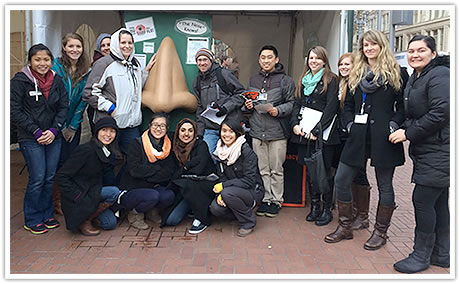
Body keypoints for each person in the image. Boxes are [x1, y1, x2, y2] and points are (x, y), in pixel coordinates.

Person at [324, 30, 408, 250]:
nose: (369, 48)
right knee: (342, 179)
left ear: (381, 46)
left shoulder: (397, 73)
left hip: (385, 137)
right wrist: (350, 124)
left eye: (373, 44)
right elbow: (348, 105)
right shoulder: (357, 72)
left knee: (385, 186)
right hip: (358, 136)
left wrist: (394, 124)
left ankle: (381, 232)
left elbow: (403, 107)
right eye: (365, 45)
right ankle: (345, 227)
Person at [391, 35, 450, 273]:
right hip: (429, 149)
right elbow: (412, 111)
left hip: (440, 150)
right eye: (411, 50)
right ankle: (441, 254)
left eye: (421, 50)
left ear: (433, 54)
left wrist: (408, 133)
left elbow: (440, 113)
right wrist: (398, 123)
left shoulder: (440, 75)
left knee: (423, 200)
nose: (415, 54)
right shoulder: (417, 77)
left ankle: (421, 255)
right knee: (438, 204)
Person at [11, 43, 68, 234]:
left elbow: (63, 107)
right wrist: (35, 131)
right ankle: (32, 218)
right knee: (37, 177)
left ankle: (47, 214)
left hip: (53, 136)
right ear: (30, 61)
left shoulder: (57, 80)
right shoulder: (20, 81)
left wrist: (53, 130)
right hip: (30, 137)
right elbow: (14, 110)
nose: (42, 63)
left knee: (50, 177)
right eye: (37, 59)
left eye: (46, 59)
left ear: (51, 61)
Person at [83, 28, 156, 157]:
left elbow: (137, 87)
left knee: (132, 159)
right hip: (110, 124)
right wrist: (109, 107)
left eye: (130, 43)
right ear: (116, 44)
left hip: (132, 124)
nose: (127, 46)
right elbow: (89, 92)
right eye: (123, 43)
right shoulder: (104, 64)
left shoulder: (135, 64)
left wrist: (146, 71)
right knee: (108, 160)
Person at [290, 46, 339, 226]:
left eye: (318, 58)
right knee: (311, 171)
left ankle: (327, 209)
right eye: (311, 58)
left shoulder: (331, 80)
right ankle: (315, 206)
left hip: (323, 135)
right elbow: (297, 103)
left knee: (324, 172)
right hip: (304, 133)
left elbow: (331, 107)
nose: (314, 61)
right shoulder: (304, 79)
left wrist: (317, 130)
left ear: (324, 60)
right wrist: (294, 124)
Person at [244, 45, 295, 218]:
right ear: (259, 60)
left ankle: (276, 200)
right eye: (263, 57)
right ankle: (265, 199)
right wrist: (248, 105)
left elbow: (292, 104)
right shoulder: (253, 80)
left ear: (276, 59)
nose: (266, 60)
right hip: (257, 131)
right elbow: (249, 101)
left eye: (269, 57)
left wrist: (278, 110)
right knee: (262, 168)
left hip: (277, 133)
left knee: (276, 169)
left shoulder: (286, 81)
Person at [55, 117, 122, 236]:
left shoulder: (109, 153)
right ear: (97, 132)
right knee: (114, 192)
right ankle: (84, 220)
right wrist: (77, 195)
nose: (108, 134)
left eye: (112, 131)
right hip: (81, 194)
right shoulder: (86, 150)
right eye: (104, 130)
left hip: (94, 192)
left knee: (109, 223)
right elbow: (61, 176)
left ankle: (90, 216)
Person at [51, 32, 91, 215]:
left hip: (72, 126)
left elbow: (83, 101)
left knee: (69, 163)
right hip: (53, 124)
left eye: (78, 46)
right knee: (55, 164)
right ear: (64, 48)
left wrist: (73, 126)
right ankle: (55, 200)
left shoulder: (86, 70)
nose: (75, 50)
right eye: (71, 46)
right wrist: (58, 125)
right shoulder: (56, 67)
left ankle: (66, 199)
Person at [119, 113, 176, 230]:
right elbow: (135, 170)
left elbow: (169, 172)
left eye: (162, 126)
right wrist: (156, 169)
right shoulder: (137, 143)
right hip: (134, 187)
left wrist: (147, 174)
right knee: (152, 196)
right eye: (155, 125)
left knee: (168, 196)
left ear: (167, 129)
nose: (158, 129)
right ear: (149, 126)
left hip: (152, 185)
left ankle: (151, 211)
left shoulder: (168, 146)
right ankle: (135, 214)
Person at [209, 117, 264, 237]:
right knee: (215, 209)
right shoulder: (220, 151)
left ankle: (248, 222)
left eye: (231, 131)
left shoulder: (246, 151)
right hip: (232, 190)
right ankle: (238, 211)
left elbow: (249, 180)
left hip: (252, 190)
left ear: (237, 133)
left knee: (227, 194)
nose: (227, 135)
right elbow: (221, 176)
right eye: (224, 131)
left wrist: (224, 188)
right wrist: (220, 194)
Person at [160, 118, 217, 234]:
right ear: (178, 132)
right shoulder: (175, 148)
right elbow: (172, 172)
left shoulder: (201, 145)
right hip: (185, 188)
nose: (186, 134)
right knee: (171, 220)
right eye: (183, 130)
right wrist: (187, 167)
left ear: (195, 132)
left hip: (203, 187)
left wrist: (183, 169)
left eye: (190, 131)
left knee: (189, 183)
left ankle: (201, 217)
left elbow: (198, 170)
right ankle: (190, 207)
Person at [335, 53, 371, 230]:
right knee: (350, 174)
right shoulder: (341, 83)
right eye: (341, 64)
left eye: (347, 64)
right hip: (342, 134)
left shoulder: (360, 84)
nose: (343, 67)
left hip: (355, 136)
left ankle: (361, 214)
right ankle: (355, 212)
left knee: (359, 173)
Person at [193, 47, 246, 157]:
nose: (202, 63)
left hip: (229, 127)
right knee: (208, 158)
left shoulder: (224, 74)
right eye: (199, 60)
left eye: (205, 60)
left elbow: (241, 95)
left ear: (211, 61)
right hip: (210, 128)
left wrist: (226, 108)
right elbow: (199, 108)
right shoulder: (197, 82)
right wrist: (200, 133)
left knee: (230, 159)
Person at [87, 33, 111, 135]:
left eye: (108, 44)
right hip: (98, 110)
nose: (106, 48)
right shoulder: (98, 64)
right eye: (103, 45)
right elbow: (89, 92)